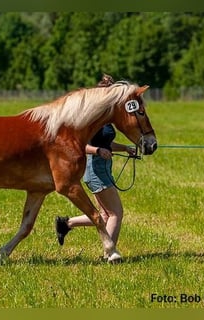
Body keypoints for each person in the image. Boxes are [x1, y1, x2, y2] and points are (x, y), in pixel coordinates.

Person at [55, 74, 135, 263]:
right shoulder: (90, 120)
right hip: (94, 168)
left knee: (106, 215)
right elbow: (78, 146)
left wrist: (125, 148)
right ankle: (110, 253)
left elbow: (106, 142)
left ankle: (66, 223)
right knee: (116, 213)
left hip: (102, 166)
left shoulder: (105, 119)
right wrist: (98, 151)